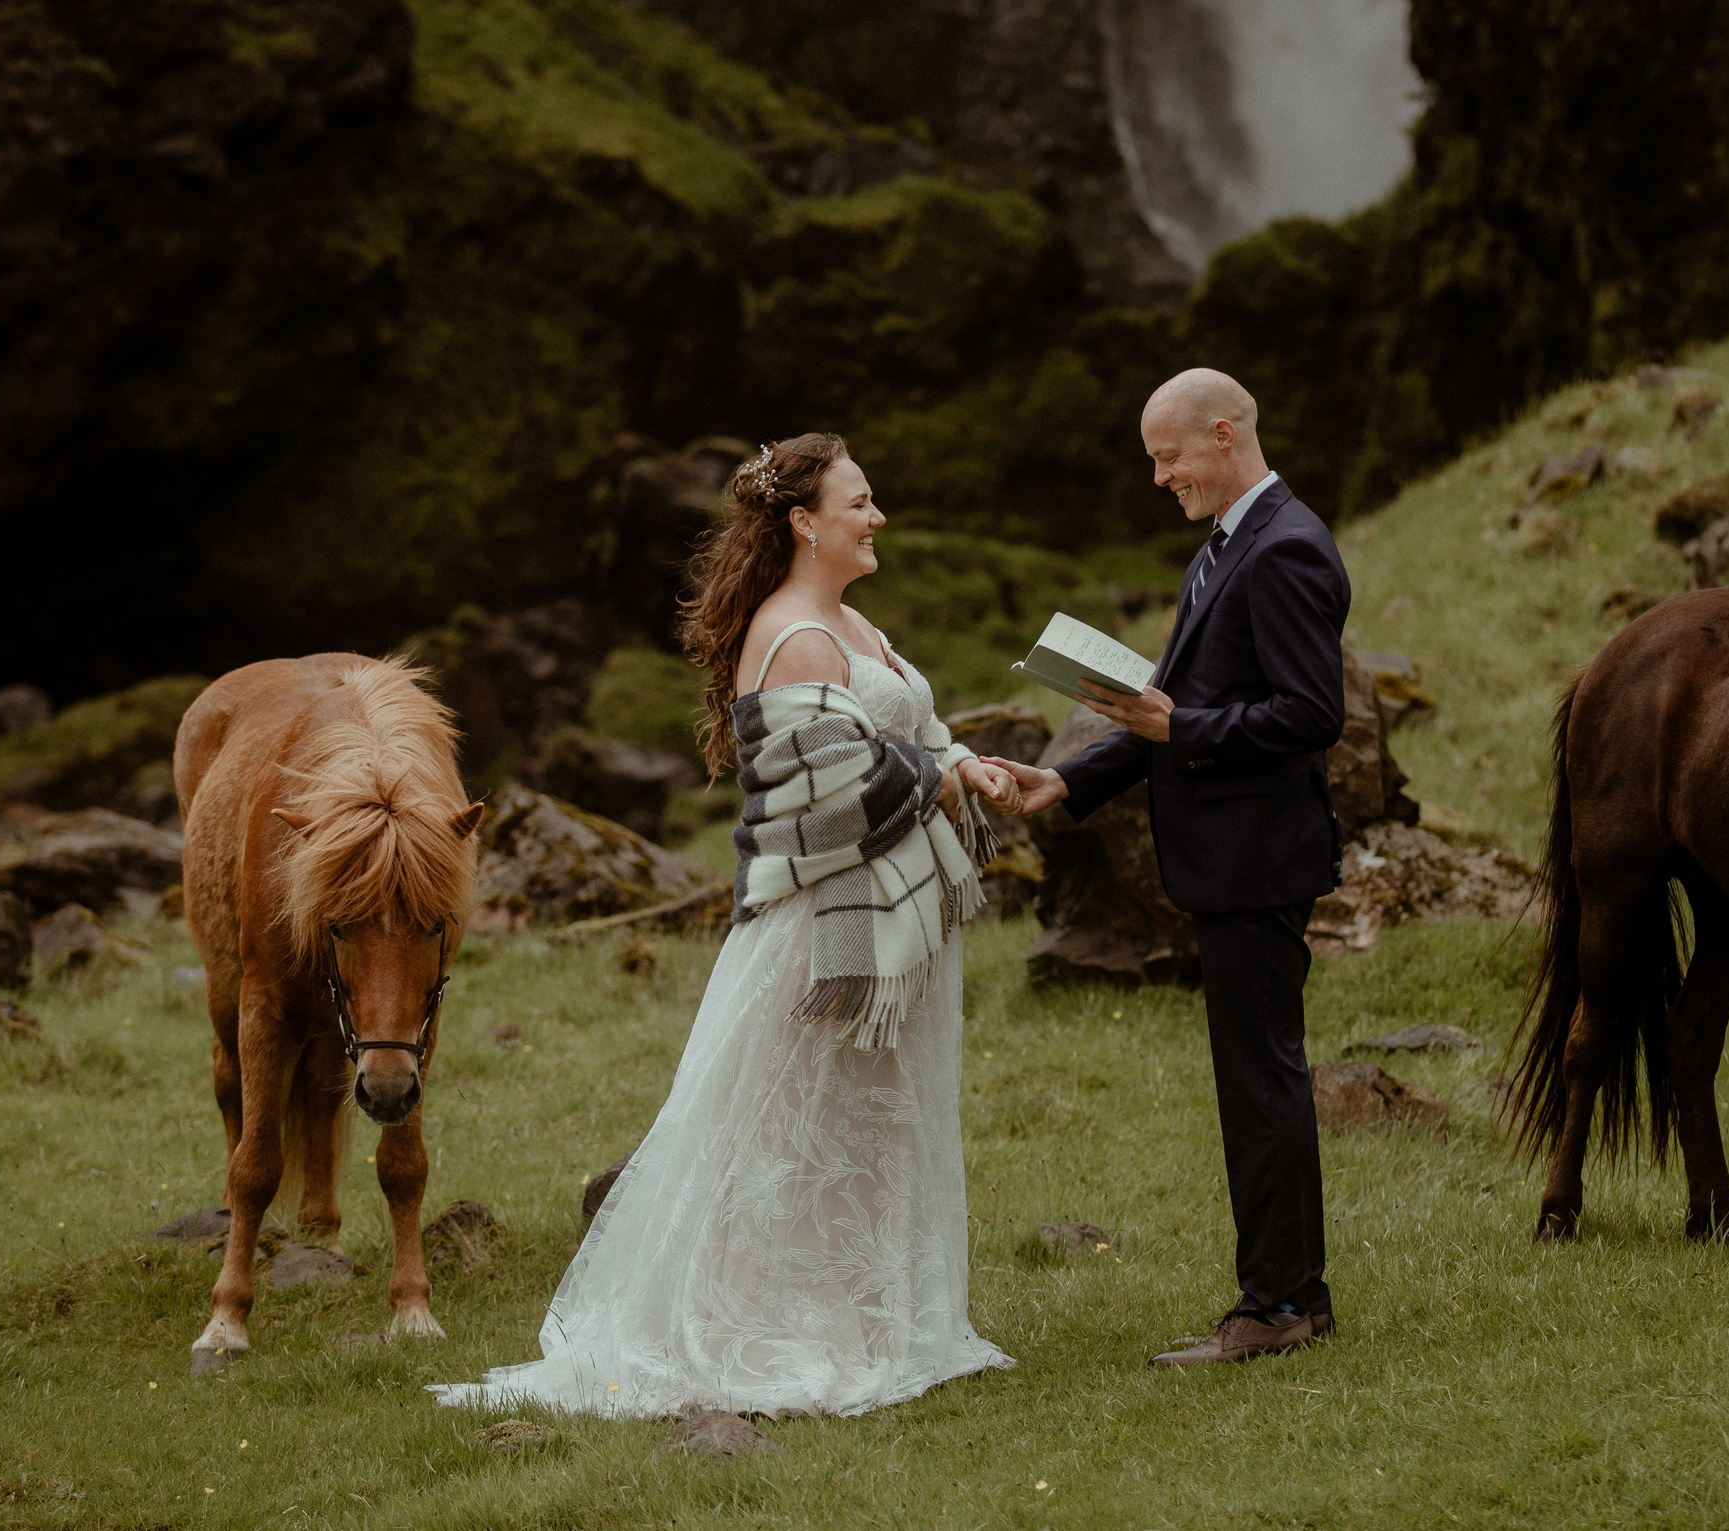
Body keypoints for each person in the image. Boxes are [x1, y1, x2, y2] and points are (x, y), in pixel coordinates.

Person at [431, 433, 1019, 1419]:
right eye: (860, 502)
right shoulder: (794, 637)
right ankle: (779, 1331)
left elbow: (911, 733)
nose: (877, 518)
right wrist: (940, 776)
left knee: (872, 1122)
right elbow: (817, 799)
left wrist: (965, 763)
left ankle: (875, 1320)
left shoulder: (849, 623)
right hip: (825, 931)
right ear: (804, 522)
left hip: (889, 921)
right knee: (791, 1132)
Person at [986, 368, 1350, 1366]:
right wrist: (1066, 781)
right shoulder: (1225, 547)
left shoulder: (1283, 551)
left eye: (1168, 455)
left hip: (1258, 860)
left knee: (1262, 1080)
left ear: (1222, 435)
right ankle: (1293, 1297)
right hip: (1230, 860)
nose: (1160, 477)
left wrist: (1181, 725)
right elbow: (1167, 708)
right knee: (1255, 1077)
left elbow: (1311, 716)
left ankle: (1276, 1308)